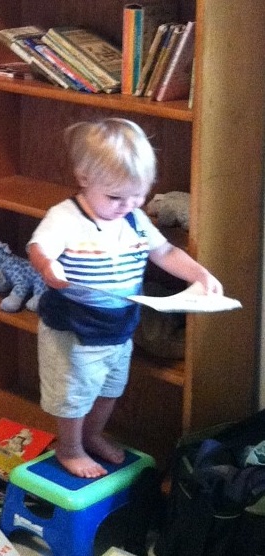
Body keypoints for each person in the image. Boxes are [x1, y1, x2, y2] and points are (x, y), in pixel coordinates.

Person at [27, 118, 222, 478]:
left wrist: (200, 274)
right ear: (84, 178)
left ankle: (93, 435)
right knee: (74, 394)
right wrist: (49, 268)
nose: (126, 205)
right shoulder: (66, 217)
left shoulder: (133, 218)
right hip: (74, 329)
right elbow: (40, 247)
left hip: (119, 327)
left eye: (138, 195)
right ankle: (69, 449)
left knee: (109, 389)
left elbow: (163, 252)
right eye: (115, 197)